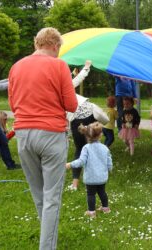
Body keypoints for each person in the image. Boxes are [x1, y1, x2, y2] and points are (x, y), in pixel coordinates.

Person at [8, 27, 78, 250]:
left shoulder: (16, 66)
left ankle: (47, 238)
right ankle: (47, 246)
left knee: (39, 195)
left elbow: (12, 104)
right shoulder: (59, 65)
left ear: (36, 43)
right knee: (52, 198)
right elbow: (71, 105)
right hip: (51, 134)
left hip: (23, 135)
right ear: (55, 45)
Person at [66, 122, 113, 218]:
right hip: (102, 177)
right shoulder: (104, 148)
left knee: (91, 194)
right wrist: (110, 168)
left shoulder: (86, 148)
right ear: (100, 135)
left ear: (86, 136)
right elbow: (109, 161)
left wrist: (70, 164)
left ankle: (91, 212)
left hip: (91, 177)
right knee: (102, 192)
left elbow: (81, 161)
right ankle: (105, 208)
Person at [66, 60, 96, 191]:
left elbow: (76, 80)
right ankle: (94, 180)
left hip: (77, 119)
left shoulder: (49, 90)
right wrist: (86, 67)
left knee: (80, 149)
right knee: (92, 146)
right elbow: (77, 80)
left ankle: (75, 184)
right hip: (88, 113)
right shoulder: (65, 85)